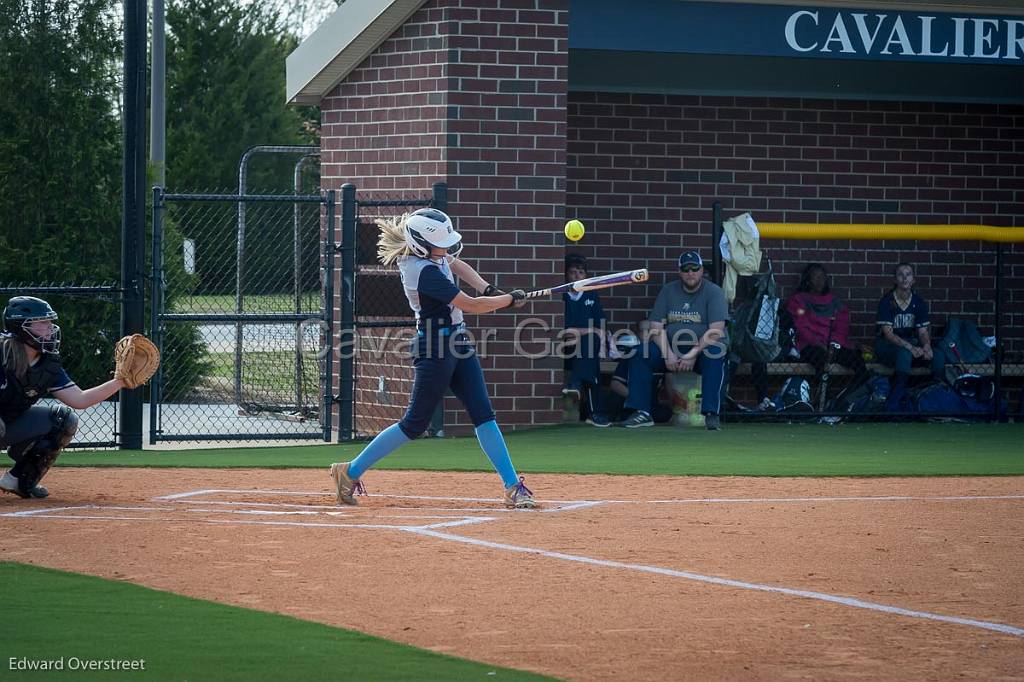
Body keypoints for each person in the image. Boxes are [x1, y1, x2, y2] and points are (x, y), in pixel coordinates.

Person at [327, 208, 538, 509]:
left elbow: (459, 266)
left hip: (458, 341)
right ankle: (349, 471)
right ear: (420, 245)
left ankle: (512, 486)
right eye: (442, 243)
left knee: (484, 414)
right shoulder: (421, 271)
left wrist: (491, 289)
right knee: (414, 424)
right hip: (434, 348)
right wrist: (507, 300)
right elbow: (470, 304)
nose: (448, 248)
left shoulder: (435, 256)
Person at [1, 296, 126, 499]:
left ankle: (18, 480)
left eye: (50, 322)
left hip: (9, 423)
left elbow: (80, 399)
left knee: (63, 421)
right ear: (20, 327)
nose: (51, 328)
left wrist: (120, 381)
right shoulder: (2, 353)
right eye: (43, 322)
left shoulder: (47, 364)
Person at [613, 250, 728, 430]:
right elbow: (656, 328)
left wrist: (691, 354)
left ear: (701, 270)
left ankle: (711, 414)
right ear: (679, 271)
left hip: (701, 349)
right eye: (685, 269)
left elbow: (716, 330)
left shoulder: (714, 292)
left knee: (715, 352)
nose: (690, 273)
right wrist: (668, 355)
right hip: (671, 349)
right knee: (640, 352)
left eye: (694, 268)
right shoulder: (668, 290)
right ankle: (641, 412)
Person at [786, 263, 870, 391]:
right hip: (810, 346)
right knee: (820, 359)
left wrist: (833, 345)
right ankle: (822, 399)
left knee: (858, 362)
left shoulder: (834, 302)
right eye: (816, 277)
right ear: (807, 280)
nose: (820, 281)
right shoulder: (798, 300)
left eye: (823, 277)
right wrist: (819, 344)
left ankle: (847, 398)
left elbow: (841, 327)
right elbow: (801, 328)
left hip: (833, 346)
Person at [875, 262, 945, 409]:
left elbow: (923, 331)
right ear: (895, 280)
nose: (904, 278)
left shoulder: (918, 303)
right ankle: (893, 406)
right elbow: (888, 334)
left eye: (908, 275)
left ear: (913, 280)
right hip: (888, 347)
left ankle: (936, 400)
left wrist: (926, 346)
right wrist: (910, 347)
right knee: (904, 354)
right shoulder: (887, 302)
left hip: (911, 344)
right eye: (900, 274)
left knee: (937, 355)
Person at [561, 254, 607, 426]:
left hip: (586, 349)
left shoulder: (591, 295)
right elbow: (564, 331)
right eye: (573, 272)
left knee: (590, 351)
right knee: (590, 353)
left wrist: (599, 341)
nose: (577, 276)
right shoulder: (562, 296)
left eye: (581, 272)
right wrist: (588, 331)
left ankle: (576, 383)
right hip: (564, 349)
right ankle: (595, 413)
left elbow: (601, 326)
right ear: (566, 275)